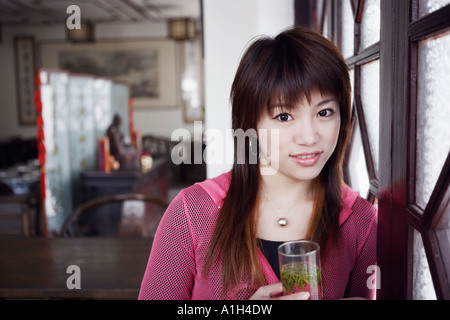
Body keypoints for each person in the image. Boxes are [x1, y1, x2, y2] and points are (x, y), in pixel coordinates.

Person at [138, 26, 377, 300]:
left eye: (324, 112)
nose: (310, 137)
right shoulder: (191, 213)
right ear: (250, 123)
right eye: (284, 116)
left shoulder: (361, 222)